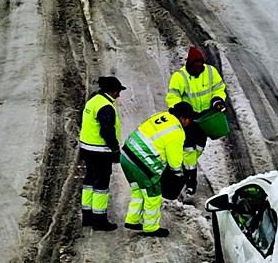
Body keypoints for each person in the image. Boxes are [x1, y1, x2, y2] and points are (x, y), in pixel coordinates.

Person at [121, 101, 195, 237]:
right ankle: (151, 227)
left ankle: (132, 220)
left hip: (126, 155)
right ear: (184, 118)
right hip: (141, 162)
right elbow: (174, 161)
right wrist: (178, 174)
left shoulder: (161, 117)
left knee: (139, 190)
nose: (189, 123)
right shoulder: (177, 130)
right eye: (189, 119)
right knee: (153, 194)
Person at [165, 46, 227, 197]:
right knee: (189, 151)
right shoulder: (180, 77)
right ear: (189, 65)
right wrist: (182, 110)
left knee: (198, 149)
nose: (198, 70)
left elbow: (219, 88)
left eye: (201, 67)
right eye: (195, 67)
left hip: (205, 119)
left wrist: (217, 100)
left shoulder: (210, 72)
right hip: (188, 120)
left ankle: (180, 167)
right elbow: (172, 98)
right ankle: (190, 182)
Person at [78, 74, 125, 230]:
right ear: (111, 91)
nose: (119, 94)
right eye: (118, 91)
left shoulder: (93, 101)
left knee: (89, 181)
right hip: (100, 152)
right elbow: (107, 132)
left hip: (87, 149)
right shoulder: (106, 106)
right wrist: (115, 149)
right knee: (101, 184)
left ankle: (87, 216)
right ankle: (99, 220)